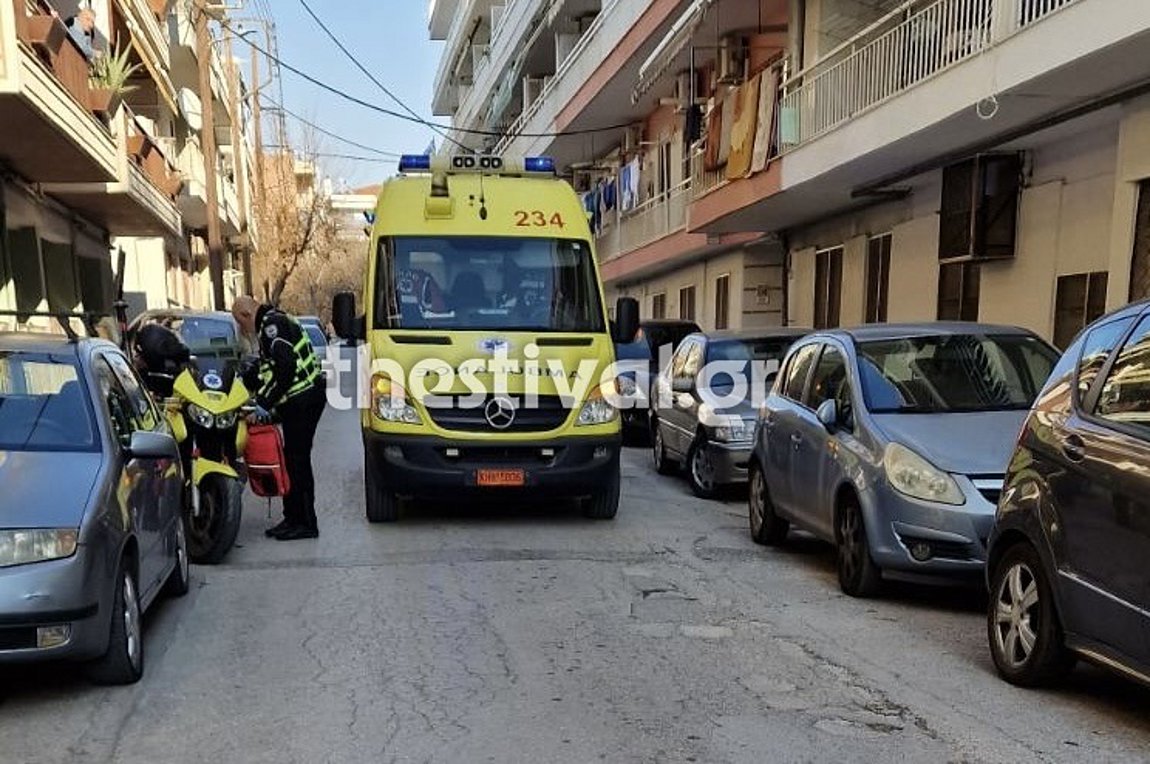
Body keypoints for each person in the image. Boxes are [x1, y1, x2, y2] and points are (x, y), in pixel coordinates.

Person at [231, 296, 325, 541]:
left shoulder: (273, 326)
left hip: (303, 399)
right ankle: (292, 517)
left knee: (297, 461)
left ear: (245, 315)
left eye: (240, 324)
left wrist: (264, 404)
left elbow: (285, 369)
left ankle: (305, 523)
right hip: (298, 400)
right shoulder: (271, 324)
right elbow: (270, 373)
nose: (242, 330)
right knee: (291, 459)